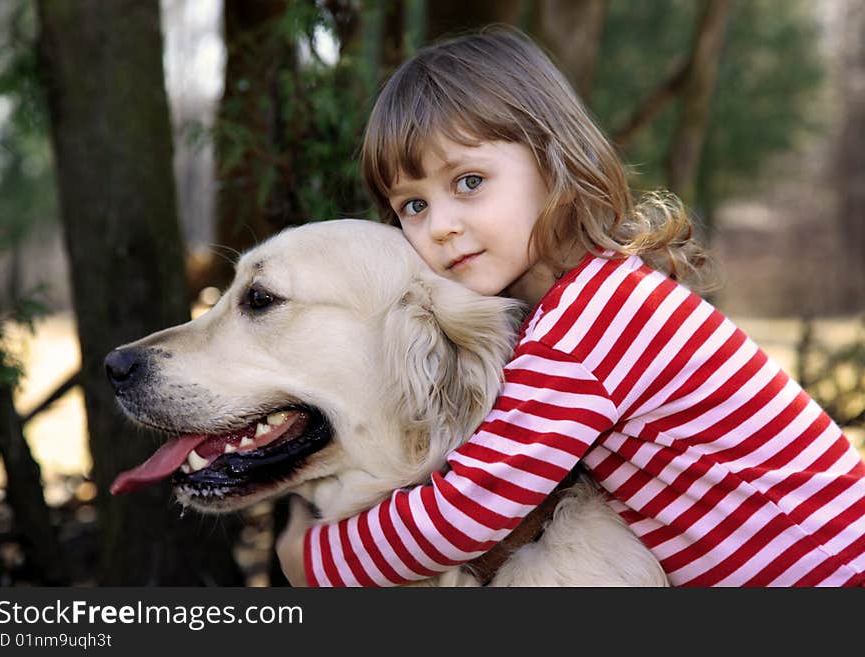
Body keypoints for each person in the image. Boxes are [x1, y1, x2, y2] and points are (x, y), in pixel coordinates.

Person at [276, 26, 865, 587]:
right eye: (412, 206)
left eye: (470, 182)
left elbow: (471, 509)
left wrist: (314, 558)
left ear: (552, 162)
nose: (442, 227)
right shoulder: (594, 297)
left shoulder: (591, 323)